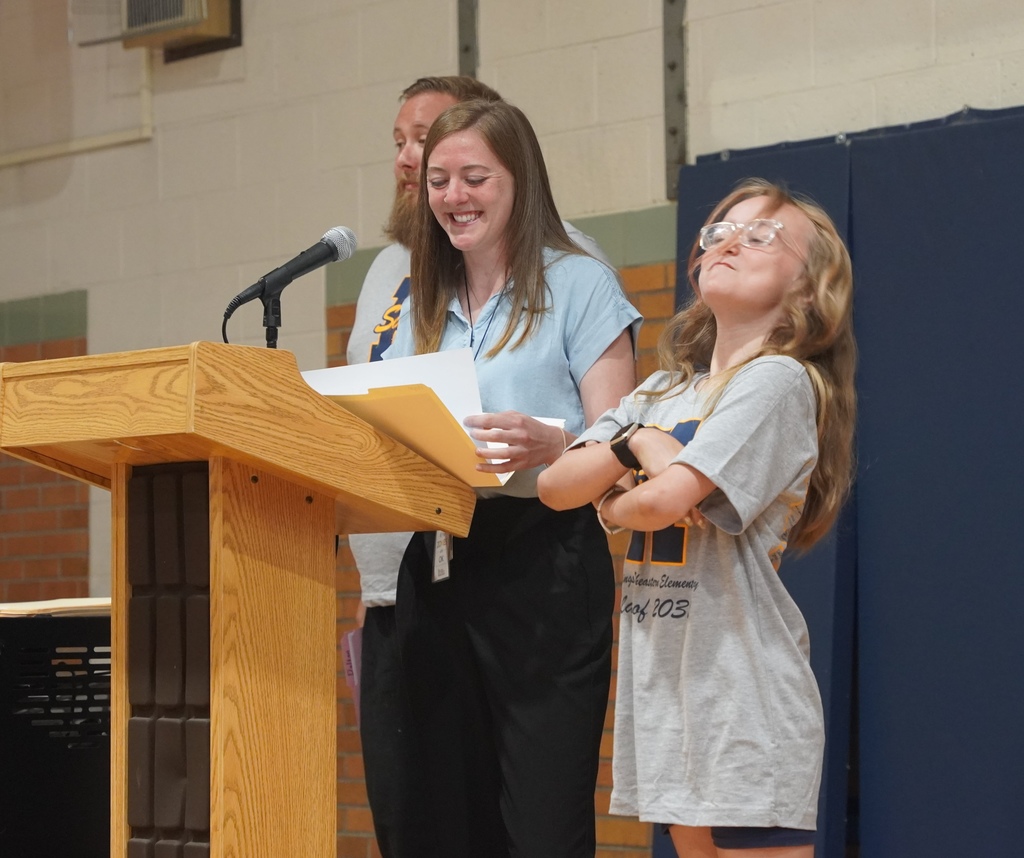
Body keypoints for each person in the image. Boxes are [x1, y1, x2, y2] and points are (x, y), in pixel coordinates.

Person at [538, 178, 857, 858]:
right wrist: (635, 444)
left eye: (761, 235)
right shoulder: (661, 390)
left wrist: (615, 493)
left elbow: (658, 503)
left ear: (808, 286)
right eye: (719, 231)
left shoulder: (777, 381)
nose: (730, 241)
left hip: (742, 699)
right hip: (666, 694)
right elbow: (555, 486)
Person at [345, 76, 614, 858]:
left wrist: (556, 442)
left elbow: (623, 433)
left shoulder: (577, 278)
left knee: (538, 823)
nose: (450, 194)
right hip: (428, 555)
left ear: (518, 181)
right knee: (433, 816)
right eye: (437, 179)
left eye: (473, 177)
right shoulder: (415, 289)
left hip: (542, 550)